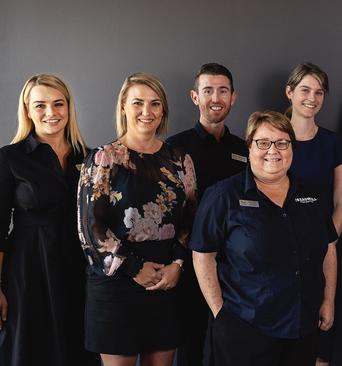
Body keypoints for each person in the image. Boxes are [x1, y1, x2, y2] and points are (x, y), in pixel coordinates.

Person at [191, 111, 338, 366]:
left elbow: (329, 249)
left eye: (282, 143)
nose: (274, 150)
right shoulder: (223, 196)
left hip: (301, 326)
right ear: (249, 147)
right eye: (263, 142)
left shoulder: (311, 196)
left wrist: (328, 300)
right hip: (246, 329)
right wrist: (220, 312)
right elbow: (203, 255)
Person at [77, 72, 197, 366]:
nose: (147, 112)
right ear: (123, 107)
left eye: (155, 104)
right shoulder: (104, 159)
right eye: (138, 103)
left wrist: (177, 265)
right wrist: (133, 268)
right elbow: (90, 229)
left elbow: (191, 220)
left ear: (163, 110)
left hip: (166, 280)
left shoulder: (180, 160)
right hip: (117, 282)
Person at [0, 74, 99, 366]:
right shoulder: (10, 158)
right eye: (40, 105)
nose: (51, 113)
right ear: (28, 110)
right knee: (30, 349)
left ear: (68, 108)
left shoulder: (90, 157)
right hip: (28, 269)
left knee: (76, 347)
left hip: (79, 268)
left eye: (58, 104)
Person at [166, 62, 247, 366]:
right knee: (191, 346)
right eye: (208, 90)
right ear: (194, 97)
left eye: (222, 91)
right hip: (189, 263)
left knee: (232, 345)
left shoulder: (246, 149)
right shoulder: (174, 147)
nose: (216, 97)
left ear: (233, 97)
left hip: (236, 266)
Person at [285, 62, 342, 366]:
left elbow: (341, 201)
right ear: (289, 92)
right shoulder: (274, 140)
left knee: (322, 335)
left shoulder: (334, 144)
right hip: (282, 253)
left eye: (319, 92)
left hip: (325, 251)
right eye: (305, 90)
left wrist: (330, 243)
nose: (311, 98)